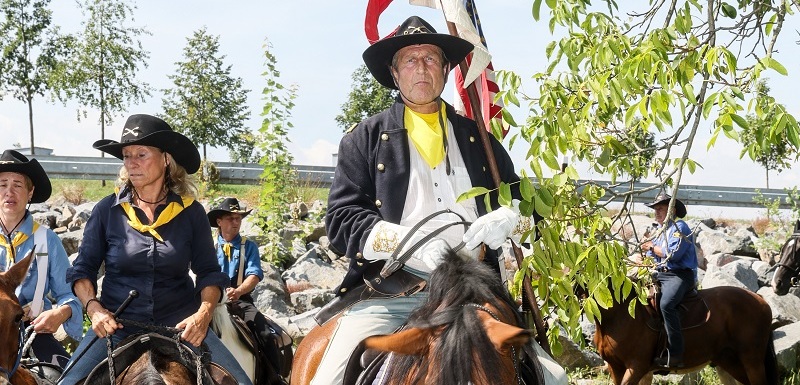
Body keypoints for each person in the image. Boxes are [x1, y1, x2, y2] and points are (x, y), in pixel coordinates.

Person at [316, 16, 534, 384]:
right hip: (393, 291)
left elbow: (529, 212)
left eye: (431, 59)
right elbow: (341, 220)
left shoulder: (480, 139)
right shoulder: (363, 139)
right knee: (329, 377)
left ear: (447, 69)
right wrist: (408, 245)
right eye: (410, 60)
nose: (421, 68)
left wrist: (512, 218)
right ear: (394, 71)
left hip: (476, 293)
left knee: (554, 375)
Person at [60, 114, 252, 385]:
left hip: (183, 326)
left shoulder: (191, 213)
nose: (132, 163)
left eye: (141, 154)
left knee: (241, 383)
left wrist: (203, 314)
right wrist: (94, 309)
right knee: (67, 383)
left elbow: (209, 272)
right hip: (116, 326)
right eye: (127, 156)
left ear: (165, 159)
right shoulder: (106, 211)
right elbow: (83, 269)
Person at [0, 149, 82, 369]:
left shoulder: (47, 240)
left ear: (30, 192)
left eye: (17, 185)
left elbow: (69, 296)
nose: (9, 192)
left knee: (68, 377)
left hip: (33, 333)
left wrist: (59, 313)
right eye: (2, 185)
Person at [207, 197, 291, 384]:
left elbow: (254, 275)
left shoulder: (249, 246)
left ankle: (275, 378)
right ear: (219, 222)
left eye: (238, 218)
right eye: (230, 218)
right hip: (210, 301)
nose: (236, 222)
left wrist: (238, 291)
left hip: (239, 301)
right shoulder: (208, 246)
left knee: (265, 333)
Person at [639, 193, 698, 368]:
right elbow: (653, 255)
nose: (656, 212)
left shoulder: (681, 228)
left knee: (666, 304)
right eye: (655, 209)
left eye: (660, 209)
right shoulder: (659, 231)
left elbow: (673, 255)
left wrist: (650, 247)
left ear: (671, 210)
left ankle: (676, 354)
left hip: (680, 275)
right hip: (660, 273)